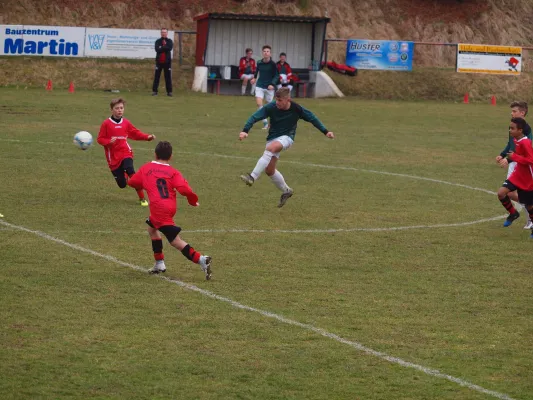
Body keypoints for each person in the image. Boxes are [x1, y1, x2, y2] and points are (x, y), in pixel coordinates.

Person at [128, 141, 213, 279]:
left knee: (175, 241)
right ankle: (159, 263)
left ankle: (201, 259)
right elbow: (184, 189)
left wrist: (138, 180)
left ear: (155, 154)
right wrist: (192, 200)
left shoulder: (146, 168)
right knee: (152, 228)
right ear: (171, 156)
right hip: (169, 207)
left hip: (158, 208)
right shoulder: (173, 172)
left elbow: (132, 182)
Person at [238, 87, 335, 207]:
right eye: (276, 100)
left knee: (270, 149)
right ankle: (287, 191)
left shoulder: (297, 109)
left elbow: (312, 118)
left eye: (280, 101)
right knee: (270, 170)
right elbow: (254, 117)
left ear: (287, 99)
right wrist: (245, 131)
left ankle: (252, 177)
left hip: (287, 138)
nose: (277, 103)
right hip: (272, 138)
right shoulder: (271, 107)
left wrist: (326, 131)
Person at [97, 98, 155, 206]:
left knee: (130, 170)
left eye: (121, 108)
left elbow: (135, 133)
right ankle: (124, 175)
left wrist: (147, 137)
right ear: (112, 109)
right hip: (113, 157)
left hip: (125, 152)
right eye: (117, 108)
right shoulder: (106, 124)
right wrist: (108, 142)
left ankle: (142, 199)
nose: (120, 110)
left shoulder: (126, 123)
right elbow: (100, 139)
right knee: (122, 184)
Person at [496, 101, 532, 228]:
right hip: (515, 166)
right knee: (507, 193)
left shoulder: (526, 132)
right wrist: (503, 154)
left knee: (516, 195)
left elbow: (526, 154)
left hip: (523, 168)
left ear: (522, 113)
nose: (511, 113)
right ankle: (520, 215)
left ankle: (529, 220)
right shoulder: (513, 127)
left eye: (514, 111)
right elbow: (510, 144)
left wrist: (510, 159)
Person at [250, 45, 279, 130]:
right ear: (262, 53)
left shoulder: (273, 64)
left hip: (269, 87)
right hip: (260, 85)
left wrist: (272, 84)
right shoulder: (259, 62)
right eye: (264, 51)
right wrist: (254, 78)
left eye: (267, 51)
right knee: (259, 103)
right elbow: (256, 71)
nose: (266, 53)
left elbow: (277, 75)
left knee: (270, 107)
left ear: (270, 53)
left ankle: (272, 123)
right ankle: (265, 123)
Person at [152, 28, 173, 97]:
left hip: (167, 62)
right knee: (157, 77)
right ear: (161, 33)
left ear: (167, 33)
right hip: (159, 62)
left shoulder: (169, 41)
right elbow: (157, 49)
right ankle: (154, 91)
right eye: (162, 32)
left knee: (168, 77)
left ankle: (169, 92)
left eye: (165, 32)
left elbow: (169, 48)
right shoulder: (158, 41)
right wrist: (164, 47)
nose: (163, 33)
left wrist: (162, 47)